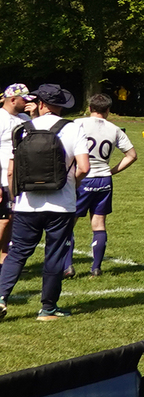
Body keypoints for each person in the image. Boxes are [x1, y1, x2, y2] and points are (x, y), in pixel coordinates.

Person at [0, 84, 87, 321]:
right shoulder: (73, 128)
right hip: (62, 204)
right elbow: (84, 167)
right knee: (55, 254)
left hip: (27, 203)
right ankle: (48, 308)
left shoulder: (22, 129)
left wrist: (15, 198)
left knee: (17, 252)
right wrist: (72, 184)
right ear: (61, 105)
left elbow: (11, 171)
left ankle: (1, 297)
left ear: (39, 103)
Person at [69, 94, 137, 277]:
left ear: (90, 108)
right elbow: (132, 155)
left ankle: (67, 266)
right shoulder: (115, 129)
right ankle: (96, 267)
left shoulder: (76, 124)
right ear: (108, 110)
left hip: (82, 177)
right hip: (104, 180)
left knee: (68, 223)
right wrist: (111, 171)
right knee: (99, 223)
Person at [0, 84, 31, 261]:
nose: (27, 103)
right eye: (24, 99)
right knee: (4, 220)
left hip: (19, 179)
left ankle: (4, 257)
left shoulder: (24, 118)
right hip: (4, 177)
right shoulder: (1, 118)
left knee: (12, 219)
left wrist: (35, 115)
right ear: (13, 100)